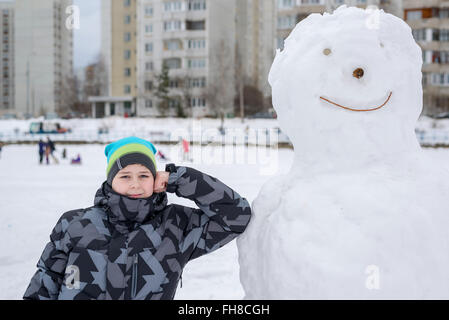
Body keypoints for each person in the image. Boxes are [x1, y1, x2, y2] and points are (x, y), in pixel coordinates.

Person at [23, 136, 252, 300]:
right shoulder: (74, 223)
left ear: (156, 178)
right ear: (110, 180)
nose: (135, 183)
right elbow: (47, 279)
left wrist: (178, 179)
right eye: (125, 175)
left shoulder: (177, 225)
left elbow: (235, 216)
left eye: (144, 175)